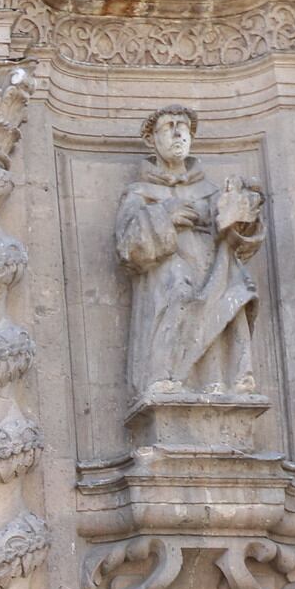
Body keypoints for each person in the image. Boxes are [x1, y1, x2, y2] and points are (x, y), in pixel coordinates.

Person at [114, 105, 264, 403]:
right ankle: (165, 376)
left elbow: (241, 242)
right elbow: (128, 247)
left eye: (184, 126)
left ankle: (222, 381)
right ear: (151, 140)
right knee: (176, 291)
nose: (178, 132)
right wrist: (164, 216)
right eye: (169, 126)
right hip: (168, 271)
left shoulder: (209, 191)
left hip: (212, 268)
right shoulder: (140, 192)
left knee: (231, 293)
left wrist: (242, 212)